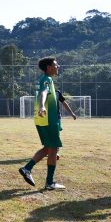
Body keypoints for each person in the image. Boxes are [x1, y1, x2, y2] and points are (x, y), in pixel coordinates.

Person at [18, 57, 65, 190]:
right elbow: (44, 92)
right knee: (53, 149)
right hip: (48, 119)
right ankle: (49, 183)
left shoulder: (44, 79)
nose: (58, 66)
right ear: (49, 67)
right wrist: (42, 106)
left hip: (41, 119)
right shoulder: (47, 79)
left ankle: (27, 169)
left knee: (48, 148)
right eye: (56, 65)